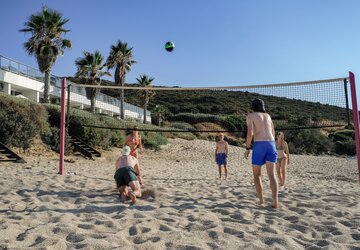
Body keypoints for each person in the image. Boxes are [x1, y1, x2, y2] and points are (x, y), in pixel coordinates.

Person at [244, 99, 279, 208]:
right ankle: (275, 201)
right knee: (272, 175)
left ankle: (261, 200)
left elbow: (250, 134)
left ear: (252, 106)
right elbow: (273, 132)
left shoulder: (251, 116)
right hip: (271, 144)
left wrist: (247, 147)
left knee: (257, 175)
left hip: (259, 145)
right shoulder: (268, 116)